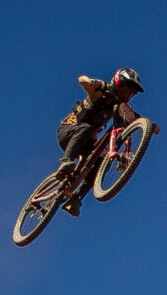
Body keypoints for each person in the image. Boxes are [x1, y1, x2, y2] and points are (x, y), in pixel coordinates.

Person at [56, 68, 145, 214]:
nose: (126, 95)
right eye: (125, 89)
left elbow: (136, 119)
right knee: (86, 128)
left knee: (102, 159)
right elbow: (82, 80)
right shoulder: (100, 93)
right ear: (117, 83)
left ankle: (75, 199)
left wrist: (150, 127)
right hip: (68, 132)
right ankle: (65, 162)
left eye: (131, 93)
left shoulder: (118, 106)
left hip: (85, 142)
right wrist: (92, 82)